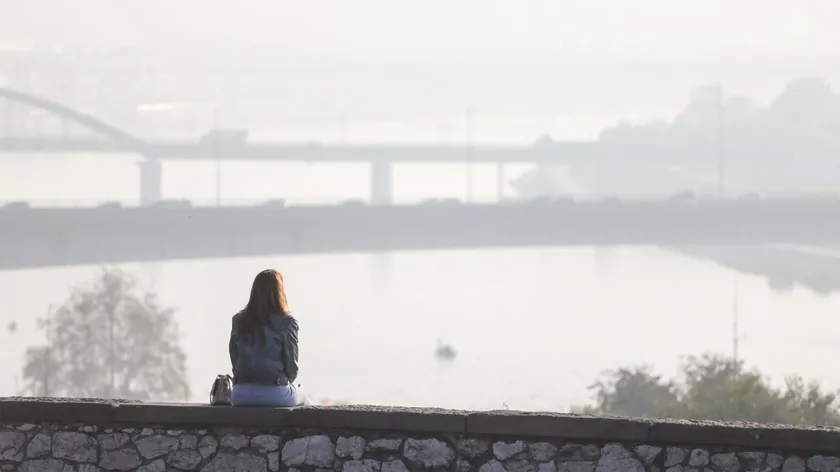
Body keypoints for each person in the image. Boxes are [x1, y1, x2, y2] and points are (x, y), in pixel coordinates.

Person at [229, 269, 309, 406]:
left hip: (240, 394)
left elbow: (234, 357)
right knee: (304, 398)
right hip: (274, 392)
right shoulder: (287, 322)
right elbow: (291, 366)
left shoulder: (239, 320)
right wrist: (284, 381)